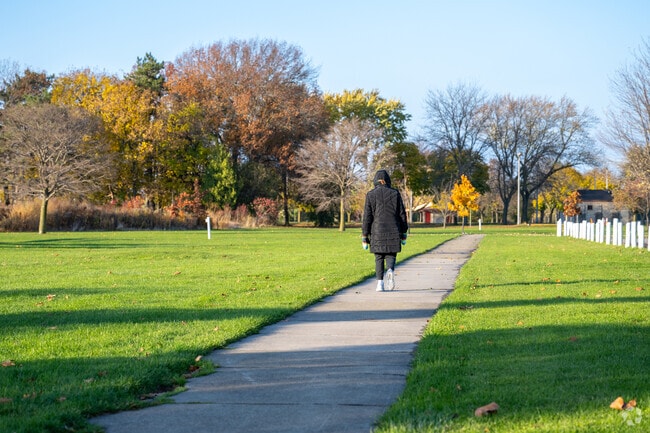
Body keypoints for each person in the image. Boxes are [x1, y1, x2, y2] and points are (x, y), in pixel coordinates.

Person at [362, 169, 409, 291]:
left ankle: (379, 284)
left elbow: (367, 217)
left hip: (377, 230)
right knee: (391, 254)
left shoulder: (370, 195)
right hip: (394, 229)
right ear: (388, 181)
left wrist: (364, 236)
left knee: (378, 257)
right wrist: (404, 232)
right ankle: (390, 270)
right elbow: (402, 214)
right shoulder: (395, 194)